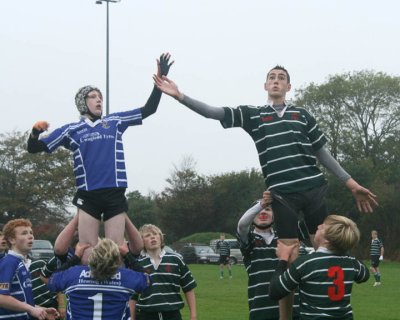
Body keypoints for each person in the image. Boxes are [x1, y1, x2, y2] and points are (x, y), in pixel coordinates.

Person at [153, 66, 377, 317]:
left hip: (313, 188)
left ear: (289, 87)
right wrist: (180, 96)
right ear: (265, 85)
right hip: (283, 194)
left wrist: (351, 183)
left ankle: (332, 310)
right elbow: (215, 113)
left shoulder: (301, 115)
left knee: (328, 250)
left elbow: (322, 153)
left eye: (281, 78)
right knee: (289, 254)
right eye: (272, 77)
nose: (276, 81)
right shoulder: (255, 116)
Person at [27, 53, 173, 264]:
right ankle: (87, 290)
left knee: (115, 252)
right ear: (83, 103)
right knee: (88, 253)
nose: (99, 100)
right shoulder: (71, 130)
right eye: (93, 96)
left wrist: (160, 81)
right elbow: (34, 148)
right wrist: (34, 131)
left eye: (100, 97)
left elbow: (149, 109)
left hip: (114, 194)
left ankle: (118, 293)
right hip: (88, 196)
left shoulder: (114, 121)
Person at [269, 214, 370, 320]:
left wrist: (283, 258)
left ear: (327, 240)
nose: (318, 226)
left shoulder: (306, 263)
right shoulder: (351, 263)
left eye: (323, 227)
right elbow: (364, 276)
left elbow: (275, 291)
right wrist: (343, 247)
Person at [47, 238, 150, 320]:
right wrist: (127, 255)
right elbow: (148, 280)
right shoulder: (126, 277)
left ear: (93, 255)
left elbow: (52, 280)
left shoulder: (74, 273)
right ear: (117, 259)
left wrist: (76, 257)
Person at [237, 195, 299, 320]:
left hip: (293, 310)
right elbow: (242, 225)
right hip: (261, 312)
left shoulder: (285, 238)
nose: (263, 211)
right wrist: (262, 204)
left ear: (275, 215)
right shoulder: (249, 241)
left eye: (268, 209)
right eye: (259, 210)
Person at [131, 224, 197, 320]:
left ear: (161, 238)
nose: (152, 237)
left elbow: (188, 288)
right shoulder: (138, 265)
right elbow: (133, 296)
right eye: (147, 235)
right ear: (142, 241)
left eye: (155, 234)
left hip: (173, 315)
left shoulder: (176, 260)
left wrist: (193, 316)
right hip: (146, 315)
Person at [0, 219, 59, 320]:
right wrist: (31, 309)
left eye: (31, 233)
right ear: (11, 240)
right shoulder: (9, 262)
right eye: (24, 233)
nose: (30, 236)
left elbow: (21, 301)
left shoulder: (20, 263)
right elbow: (1, 297)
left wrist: (41, 309)